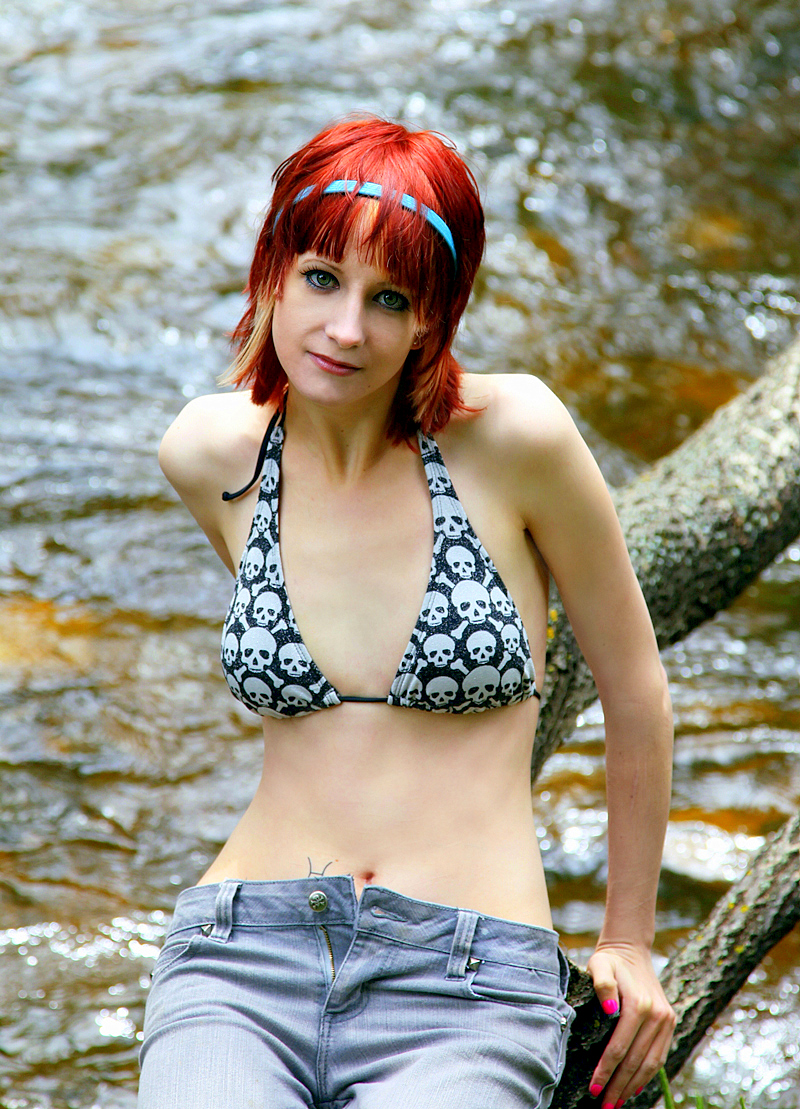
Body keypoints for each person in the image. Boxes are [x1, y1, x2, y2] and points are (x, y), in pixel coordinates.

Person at [138, 115, 675, 1109]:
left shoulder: (513, 438)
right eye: (320, 279)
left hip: (466, 982)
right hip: (239, 953)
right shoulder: (211, 454)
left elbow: (632, 688)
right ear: (272, 269)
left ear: (436, 315)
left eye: (390, 299)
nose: (346, 330)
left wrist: (625, 938)